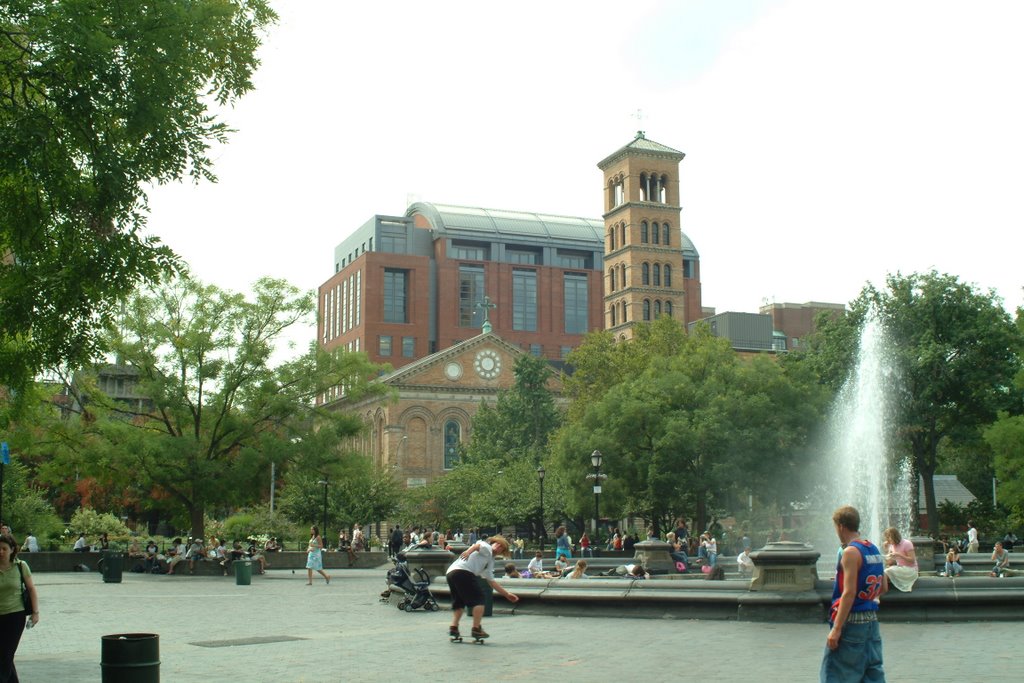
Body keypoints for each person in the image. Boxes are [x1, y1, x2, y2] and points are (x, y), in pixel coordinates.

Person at [821, 505, 887, 683]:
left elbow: (848, 593)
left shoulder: (851, 552)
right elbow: (884, 586)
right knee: (871, 674)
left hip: (852, 623)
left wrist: (836, 629)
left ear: (841, 526)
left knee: (836, 674)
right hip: (871, 622)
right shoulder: (873, 549)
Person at [445, 535, 519, 641]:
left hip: (451, 573)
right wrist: (468, 552)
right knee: (479, 599)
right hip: (463, 572)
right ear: (493, 542)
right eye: (497, 544)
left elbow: (491, 581)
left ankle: (454, 627)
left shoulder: (490, 560)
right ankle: (476, 628)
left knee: (459, 601)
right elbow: (477, 546)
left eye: (501, 547)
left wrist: (506, 594)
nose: (498, 547)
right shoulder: (487, 547)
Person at [0, 532, 39, 682]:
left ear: (11, 549)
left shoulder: (21, 566)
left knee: (6, 654)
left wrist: (35, 613)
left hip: (14, 617)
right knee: (4, 656)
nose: (1, 552)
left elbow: (31, 589)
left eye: (4, 548)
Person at [882, 527, 918, 592]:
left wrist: (900, 555)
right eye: (886, 538)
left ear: (894, 536)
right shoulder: (892, 546)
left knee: (886, 572)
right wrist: (886, 551)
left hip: (910, 570)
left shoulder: (907, 543)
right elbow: (889, 562)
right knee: (882, 572)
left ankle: (883, 592)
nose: (887, 540)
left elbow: (912, 560)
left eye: (888, 538)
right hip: (900, 568)